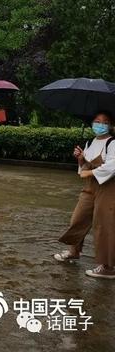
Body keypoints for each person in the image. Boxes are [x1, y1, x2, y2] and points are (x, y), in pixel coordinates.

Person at [55, 111, 115, 279]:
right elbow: (84, 167)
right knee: (78, 218)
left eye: (104, 122)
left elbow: (112, 166)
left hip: (108, 188)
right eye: (97, 121)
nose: (100, 125)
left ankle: (108, 267)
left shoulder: (112, 143)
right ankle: (74, 252)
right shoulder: (91, 142)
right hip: (90, 188)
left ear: (110, 125)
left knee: (104, 224)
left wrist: (89, 173)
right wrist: (80, 159)